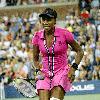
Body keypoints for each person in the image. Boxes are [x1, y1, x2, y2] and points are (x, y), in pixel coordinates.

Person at [32, 8, 84, 100]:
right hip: (44, 75)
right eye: (43, 19)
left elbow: (80, 51)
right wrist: (37, 70)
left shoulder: (65, 34)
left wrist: (73, 68)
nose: (45, 22)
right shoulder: (37, 36)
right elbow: (35, 59)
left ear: (55, 21)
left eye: (49, 19)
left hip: (61, 72)